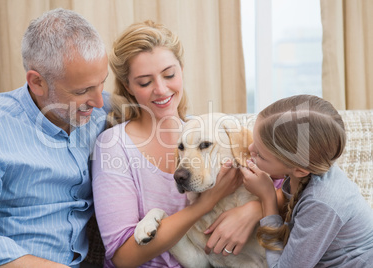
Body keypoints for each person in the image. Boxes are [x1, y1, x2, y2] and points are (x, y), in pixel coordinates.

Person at [91, 20, 262, 268]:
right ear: (128, 86)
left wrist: (253, 211)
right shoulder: (114, 145)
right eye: (145, 82)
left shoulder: (204, 131)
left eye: (169, 74)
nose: (161, 89)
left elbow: (283, 188)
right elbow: (122, 257)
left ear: (181, 69)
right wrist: (206, 203)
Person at [0, 8, 110, 267]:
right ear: (37, 82)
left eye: (102, 82)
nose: (99, 101)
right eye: (82, 91)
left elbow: (182, 126)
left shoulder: (101, 110)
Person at [241, 95, 373, 267]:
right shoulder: (310, 164)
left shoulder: (322, 202)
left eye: (261, 155)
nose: (250, 149)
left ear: (299, 170)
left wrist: (268, 198)